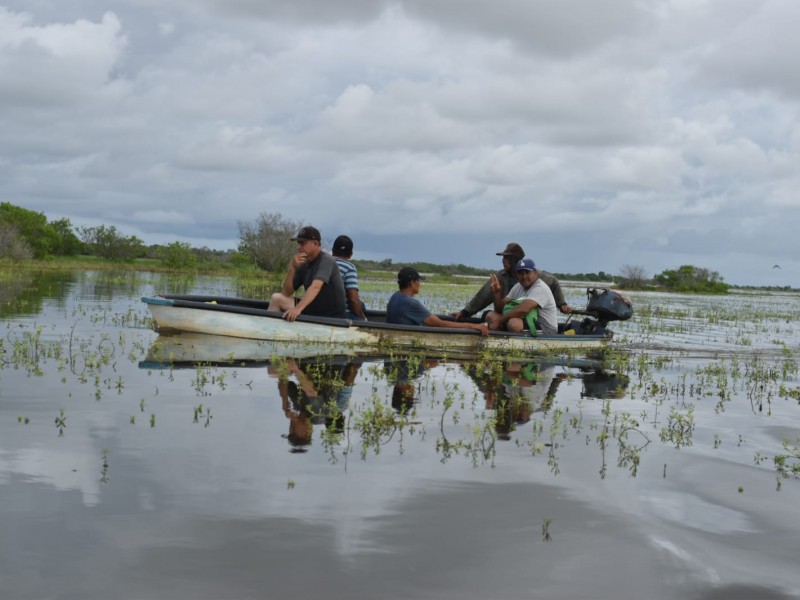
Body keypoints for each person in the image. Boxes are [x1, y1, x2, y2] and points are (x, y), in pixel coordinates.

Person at [452, 243, 571, 320]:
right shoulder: (501, 275)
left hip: (528, 318)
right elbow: (483, 296)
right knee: (488, 315)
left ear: (515, 259)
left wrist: (562, 304)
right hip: (507, 314)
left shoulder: (535, 276)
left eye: (506, 258)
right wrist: (465, 312)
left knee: (514, 323)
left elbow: (553, 281)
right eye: (503, 258)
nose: (503, 261)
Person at [267, 225, 346, 321]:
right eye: (298, 243)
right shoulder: (303, 264)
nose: (299, 247)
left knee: (285, 303)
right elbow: (287, 293)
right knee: (276, 298)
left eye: (302, 243)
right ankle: (270, 332)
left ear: (315, 243)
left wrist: (297, 309)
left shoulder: (326, 260)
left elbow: (315, 287)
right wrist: (292, 268)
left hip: (331, 316)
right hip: (313, 308)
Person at [387, 267, 489, 335]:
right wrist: (473, 326)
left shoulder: (395, 296)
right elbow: (441, 324)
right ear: (412, 283)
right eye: (418, 281)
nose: (420, 284)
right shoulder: (411, 303)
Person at [486, 257, 559, 335]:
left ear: (535, 272)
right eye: (521, 273)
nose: (524, 276)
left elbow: (524, 310)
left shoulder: (540, 288)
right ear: (517, 275)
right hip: (526, 320)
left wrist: (499, 321)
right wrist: (496, 293)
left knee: (514, 324)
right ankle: (503, 340)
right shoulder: (518, 286)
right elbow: (501, 309)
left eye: (527, 272)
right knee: (491, 316)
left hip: (546, 327)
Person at [331, 234, 367, 320]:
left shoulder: (321, 263)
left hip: (320, 310)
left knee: (361, 305)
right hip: (340, 314)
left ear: (332, 250)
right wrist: (363, 318)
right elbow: (353, 299)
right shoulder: (349, 267)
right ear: (351, 254)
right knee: (361, 308)